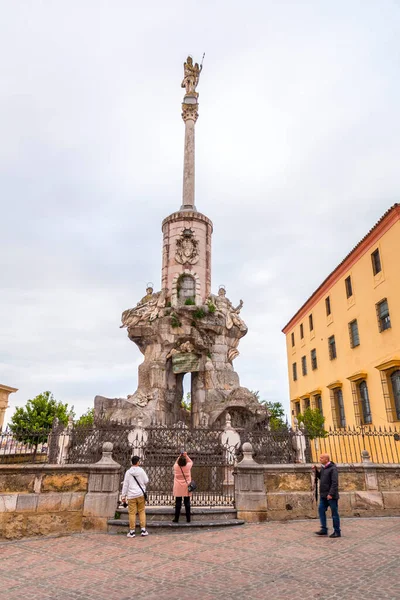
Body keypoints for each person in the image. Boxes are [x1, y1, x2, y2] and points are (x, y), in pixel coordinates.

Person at [312, 453, 341, 538]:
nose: (320, 459)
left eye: (322, 458)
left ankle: (337, 531)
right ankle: (324, 529)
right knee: (321, 510)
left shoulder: (333, 469)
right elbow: (320, 477)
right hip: (324, 495)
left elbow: (335, 483)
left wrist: (331, 494)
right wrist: (316, 471)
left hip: (331, 496)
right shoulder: (324, 468)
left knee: (334, 513)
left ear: (326, 460)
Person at [121, 455, 149, 538]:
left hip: (131, 495)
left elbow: (125, 485)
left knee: (132, 513)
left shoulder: (128, 472)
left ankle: (132, 531)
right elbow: (146, 481)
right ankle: (143, 530)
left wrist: (123, 496)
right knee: (141, 511)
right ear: (138, 462)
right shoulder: (141, 471)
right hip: (140, 494)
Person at [172, 451, 193, 523]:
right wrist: (186, 456)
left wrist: (179, 456)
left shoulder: (176, 466)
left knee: (178, 503)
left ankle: (176, 518)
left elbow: (176, 462)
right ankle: (188, 518)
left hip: (178, 486)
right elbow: (191, 461)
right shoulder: (188, 466)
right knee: (187, 502)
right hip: (186, 486)